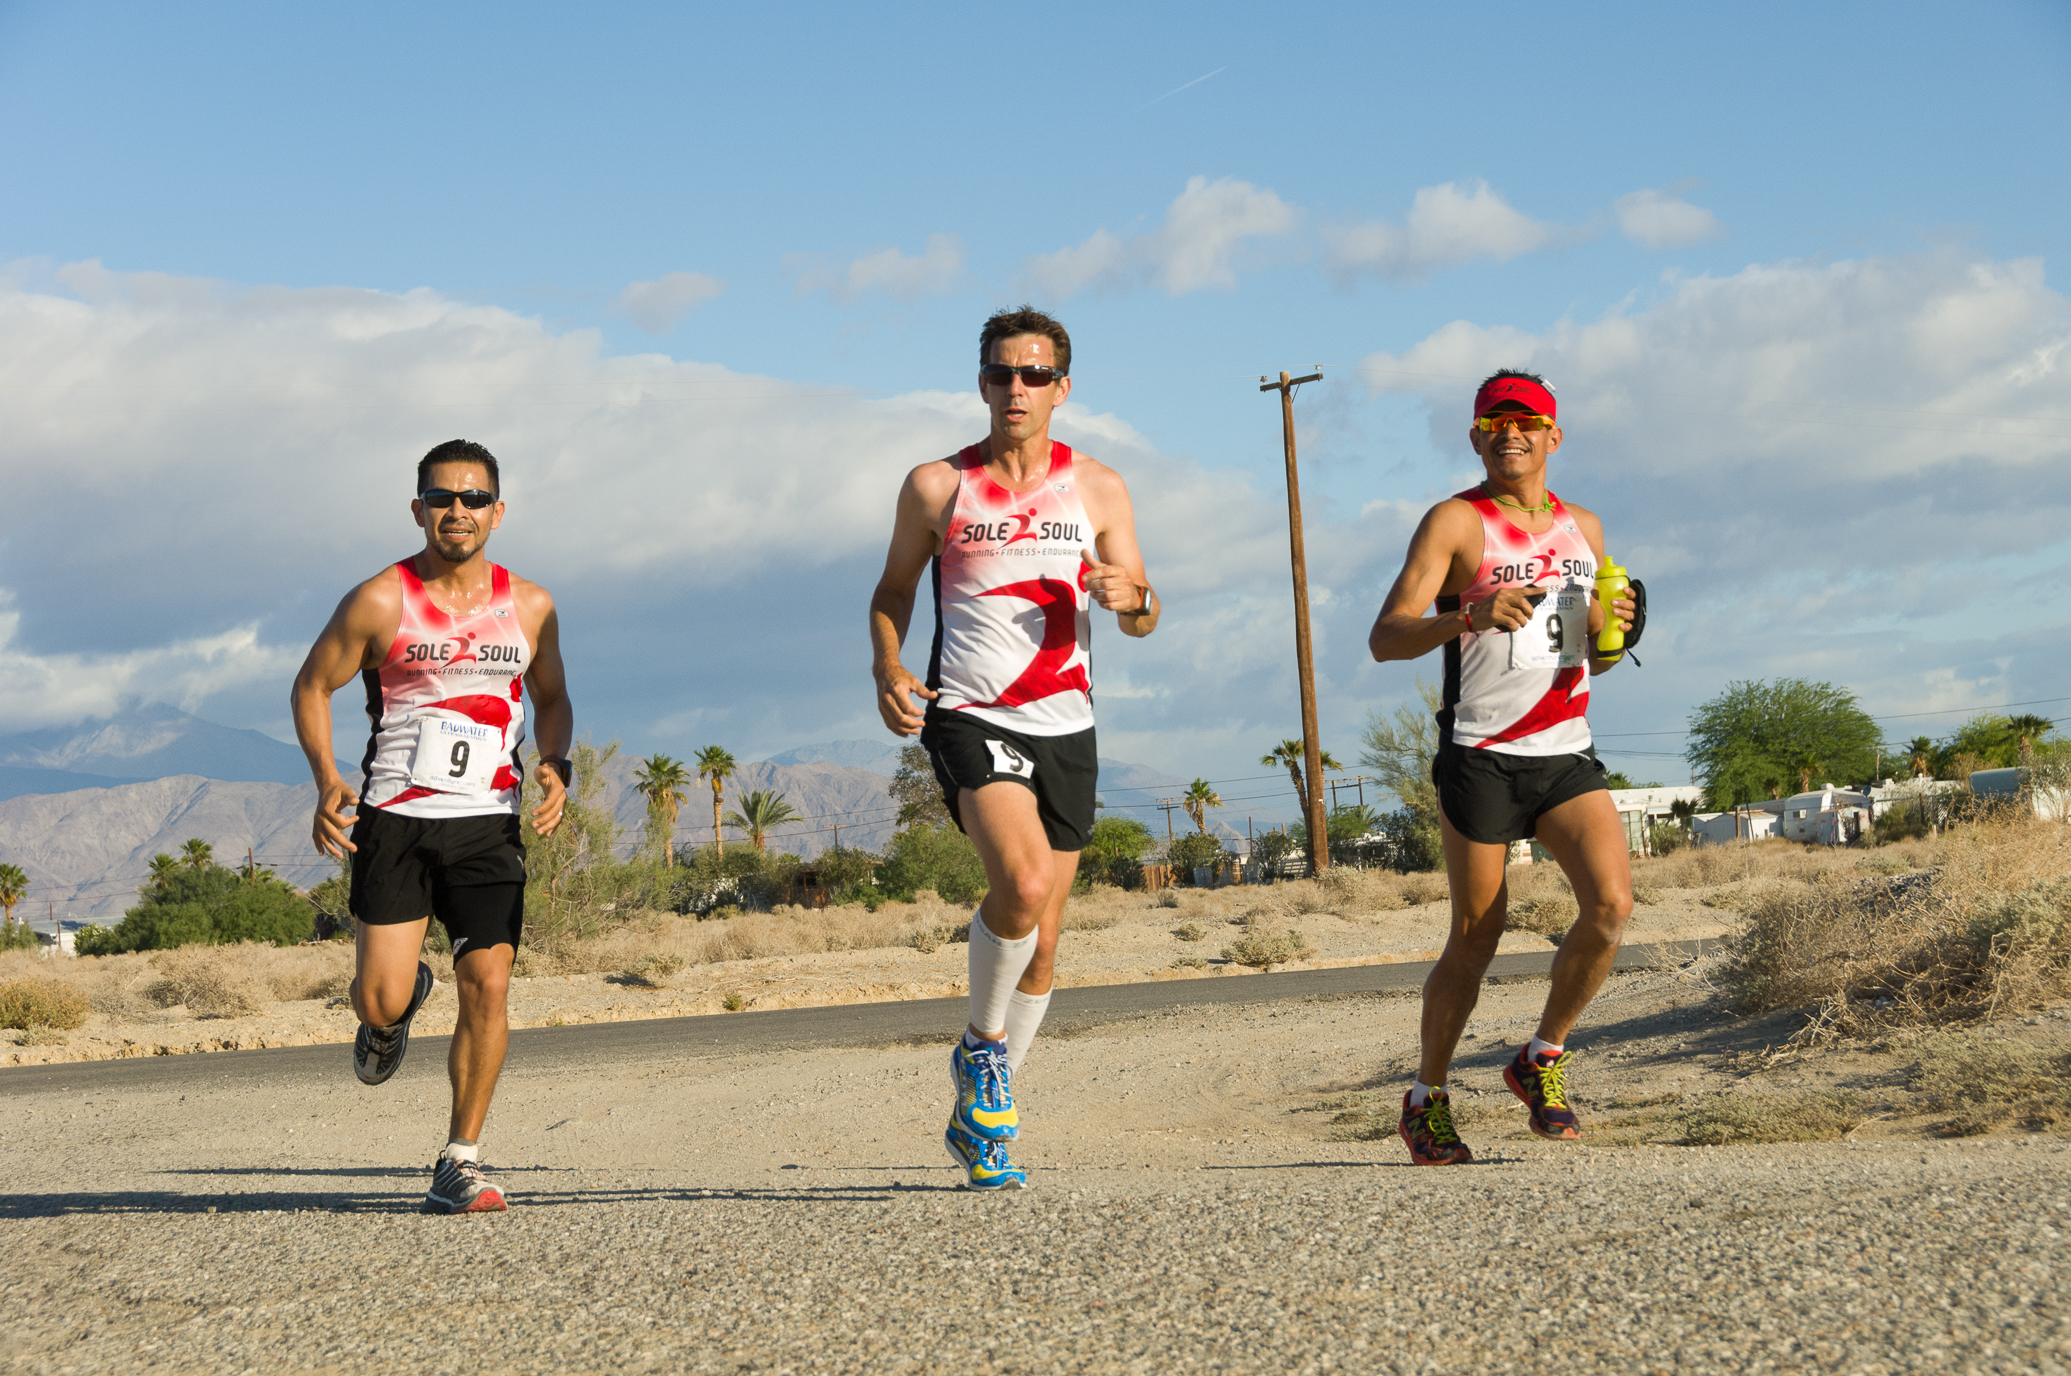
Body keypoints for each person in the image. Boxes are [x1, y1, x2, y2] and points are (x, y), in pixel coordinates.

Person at [868, 307, 1159, 1189]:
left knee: (1047, 937)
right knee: (1022, 885)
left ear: (1062, 388)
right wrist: (887, 663)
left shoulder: (1099, 488)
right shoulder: (936, 486)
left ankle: (980, 1125)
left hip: (1066, 721)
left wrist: (1129, 596)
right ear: (982, 382)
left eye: (1034, 375)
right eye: (1001, 373)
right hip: (969, 712)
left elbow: (1144, 612)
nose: (1017, 389)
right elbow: (891, 590)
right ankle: (982, 1052)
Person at [291, 439, 573, 1213]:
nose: (459, 511)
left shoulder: (532, 605)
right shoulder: (380, 600)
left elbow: (551, 696)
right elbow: (312, 686)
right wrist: (326, 782)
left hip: (487, 823)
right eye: (443, 498)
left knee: (488, 982)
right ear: (418, 509)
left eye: (474, 498)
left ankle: (461, 1158)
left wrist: (555, 766)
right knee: (377, 999)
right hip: (395, 821)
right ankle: (395, 1006)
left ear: (498, 511)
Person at [1367, 370, 1638, 1166]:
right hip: (1480, 755)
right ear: (1475, 435)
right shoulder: (1456, 522)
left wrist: (1611, 631)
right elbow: (1386, 636)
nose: (1509, 433)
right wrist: (1465, 615)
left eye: (1526, 421)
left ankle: (1539, 1059)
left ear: (1554, 436)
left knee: (1612, 906)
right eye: (1493, 421)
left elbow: (1585, 654)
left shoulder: (1583, 527)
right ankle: (1427, 1098)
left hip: (1562, 750)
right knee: (1477, 937)